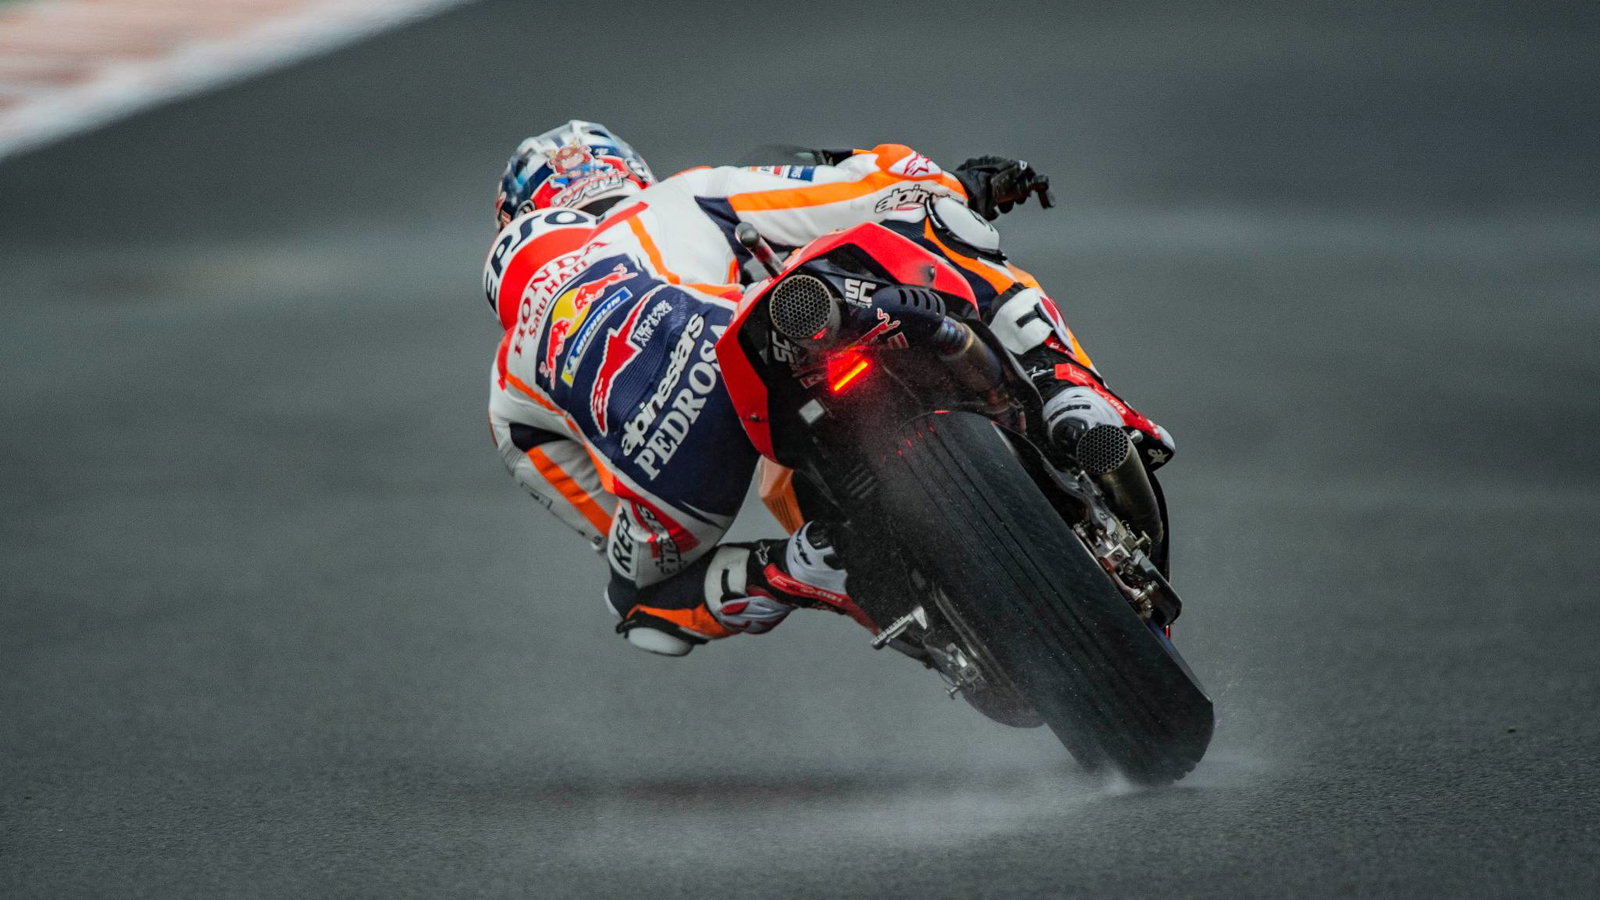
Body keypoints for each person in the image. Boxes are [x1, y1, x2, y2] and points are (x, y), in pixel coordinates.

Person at [482, 120, 1175, 657]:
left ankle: (806, 567)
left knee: (636, 604)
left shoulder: (506, 391)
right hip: (743, 340)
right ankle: (1068, 392)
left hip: (684, 481)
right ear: (626, 173)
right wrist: (964, 184)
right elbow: (870, 186)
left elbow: (621, 547)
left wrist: (660, 521)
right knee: (934, 217)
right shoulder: (677, 197)